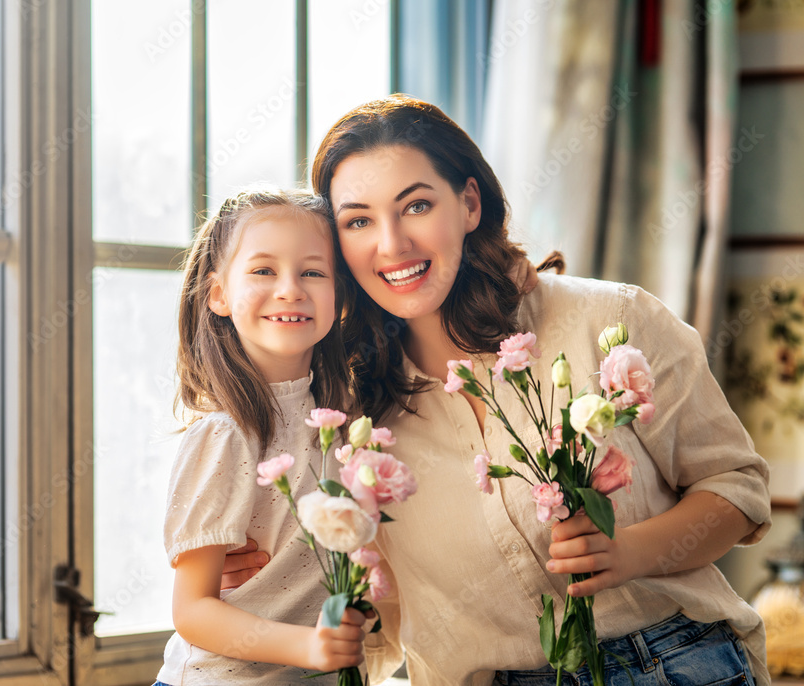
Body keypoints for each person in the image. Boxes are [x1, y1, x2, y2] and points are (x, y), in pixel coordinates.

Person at [225, 96, 772, 686]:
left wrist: (630, 551)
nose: (392, 244)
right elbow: (379, 616)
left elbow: (736, 489)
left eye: (416, 206)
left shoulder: (609, 320)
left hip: (668, 661)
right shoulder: (347, 413)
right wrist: (266, 585)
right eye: (358, 220)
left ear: (468, 203)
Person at [155, 189, 367, 685]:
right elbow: (191, 611)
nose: (290, 289)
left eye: (313, 272)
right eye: (263, 270)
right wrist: (310, 647)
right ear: (218, 295)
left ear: (340, 297)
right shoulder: (225, 433)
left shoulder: (342, 419)